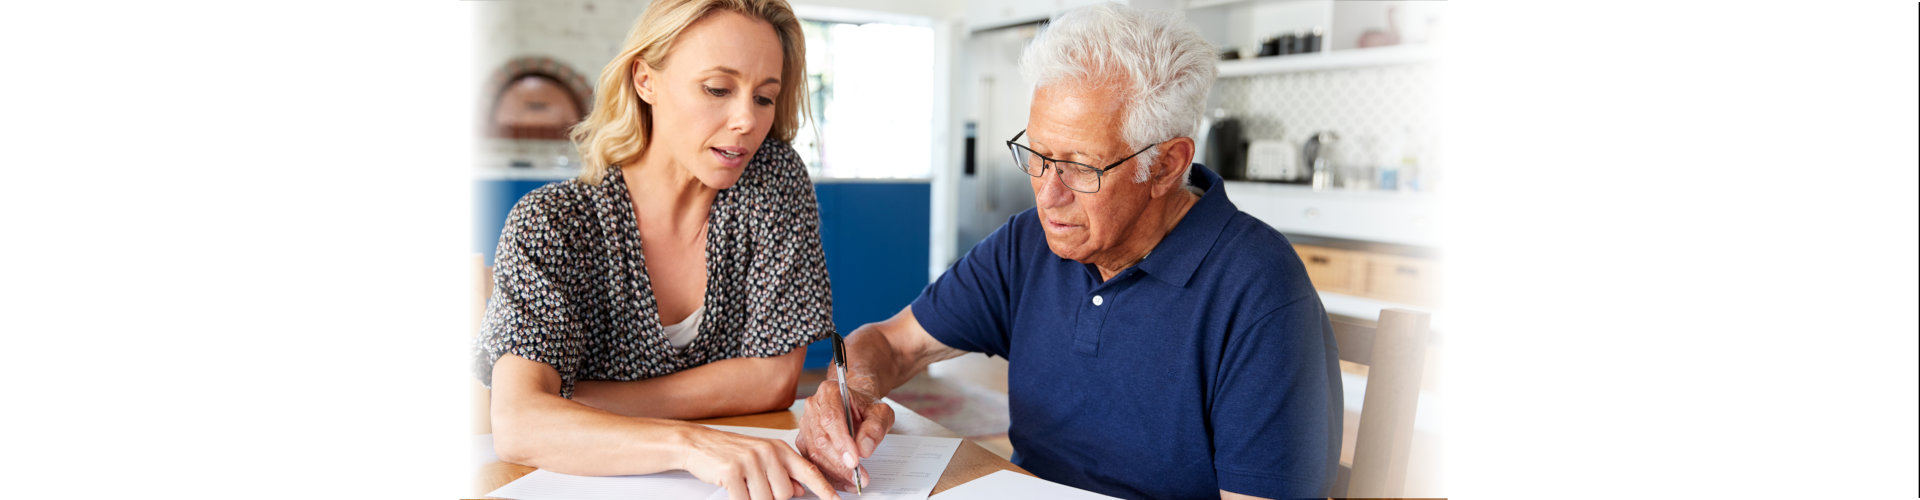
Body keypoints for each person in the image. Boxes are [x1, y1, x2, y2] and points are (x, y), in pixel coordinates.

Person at [794, 4, 1342, 499]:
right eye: (1037, 154)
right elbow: (893, 344)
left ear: (1168, 165)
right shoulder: (1028, 243)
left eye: (1080, 166)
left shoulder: (1261, 293)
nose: (1047, 193)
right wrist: (854, 392)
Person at [472, 1, 840, 499]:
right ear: (646, 81)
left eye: (764, 97)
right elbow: (519, 425)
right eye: (717, 89)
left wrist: (573, 404)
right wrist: (692, 445)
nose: (745, 121)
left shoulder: (771, 180)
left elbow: (772, 380)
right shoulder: (553, 222)